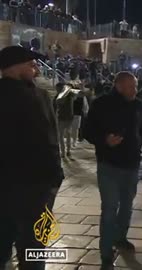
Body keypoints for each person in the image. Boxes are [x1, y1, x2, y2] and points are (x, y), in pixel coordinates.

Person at [0, 46, 64, 270]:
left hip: (37, 186)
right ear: (14, 67)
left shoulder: (41, 95)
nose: (36, 68)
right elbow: (48, 139)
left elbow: (51, 138)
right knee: (32, 248)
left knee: (32, 247)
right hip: (29, 187)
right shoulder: (36, 97)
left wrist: (56, 177)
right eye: (30, 63)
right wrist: (55, 176)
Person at [84, 71, 142, 270]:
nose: (135, 89)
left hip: (132, 165)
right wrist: (104, 140)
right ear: (119, 85)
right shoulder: (101, 104)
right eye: (131, 86)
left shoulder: (138, 105)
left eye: (135, 85)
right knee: (108, 209)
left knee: (127, 206)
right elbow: (87, 131)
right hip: (108, 165)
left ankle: (120, 238)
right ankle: (106, 253)